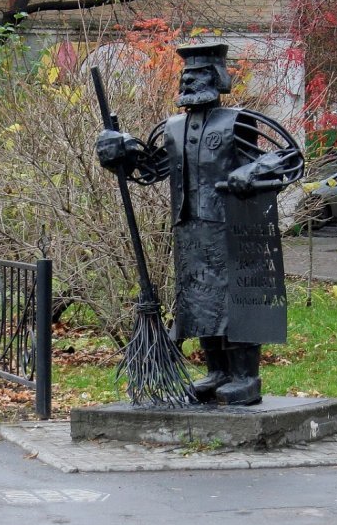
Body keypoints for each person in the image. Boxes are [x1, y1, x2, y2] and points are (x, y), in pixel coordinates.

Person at [95, 43, 304, 405]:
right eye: (185, 77)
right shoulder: (173, 128)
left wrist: (251, 171)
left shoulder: (236, 120)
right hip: (189, 228)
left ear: (217, 79)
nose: (189, 83)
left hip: (230, 227)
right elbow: (151, 169)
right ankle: (217, 370)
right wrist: (121, 152)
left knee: (233, 299)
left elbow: (288, 157)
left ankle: (245, 376)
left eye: (198, 76)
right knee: (198, 300)